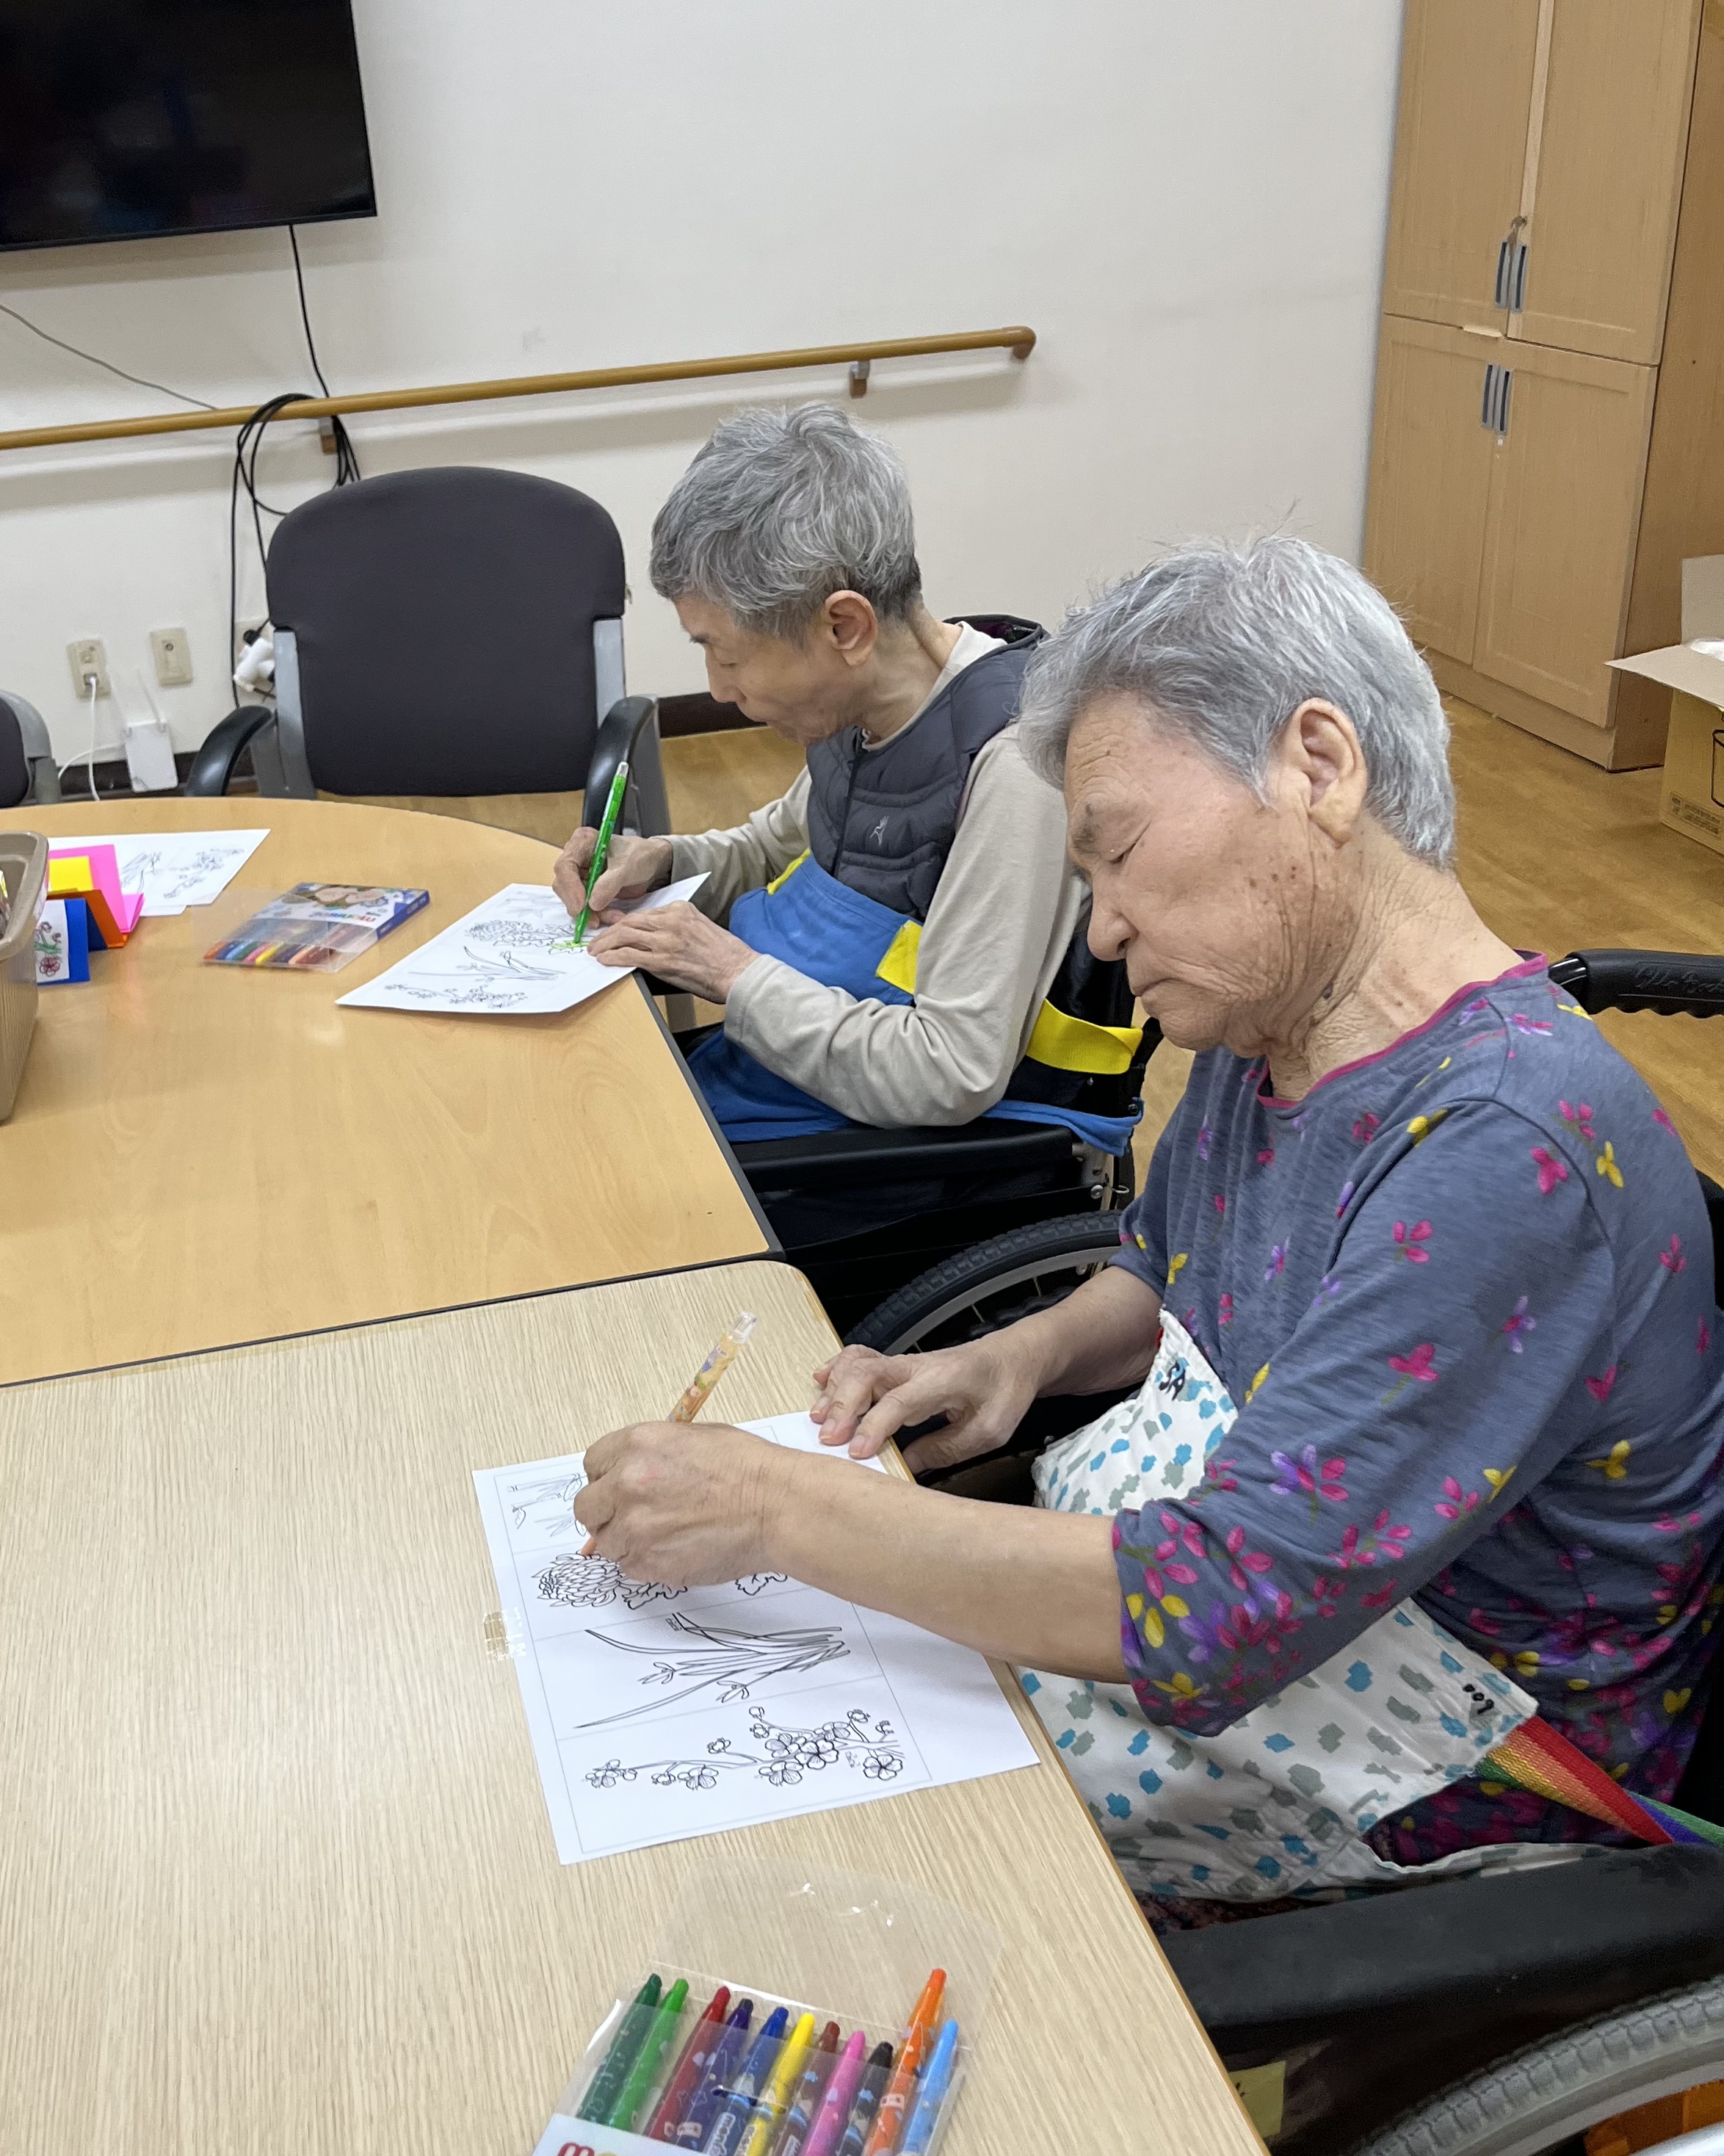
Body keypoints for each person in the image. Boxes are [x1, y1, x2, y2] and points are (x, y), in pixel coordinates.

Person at [571, 535, 1724, 1902]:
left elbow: (1213, 1608)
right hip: (1280, 1604)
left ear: (1317, 767)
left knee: (833, 1824)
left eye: (1116, 856)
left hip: (1453, 1766)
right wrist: (1017, 1356)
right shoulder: (1269, 1019)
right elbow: (1163, 1272)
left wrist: (775, 1505)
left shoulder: (1501, 1148)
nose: (1105, 931)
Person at [551, 404, 1135, 1149]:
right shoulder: (860, 709)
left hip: (894, 1153)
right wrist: (664, 860)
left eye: (727, 656)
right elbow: (778, 849)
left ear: (845, 627)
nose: (718, 689)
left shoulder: (1014, 770)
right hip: (793, 1080)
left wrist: (732, 975)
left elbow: (951, 1069)